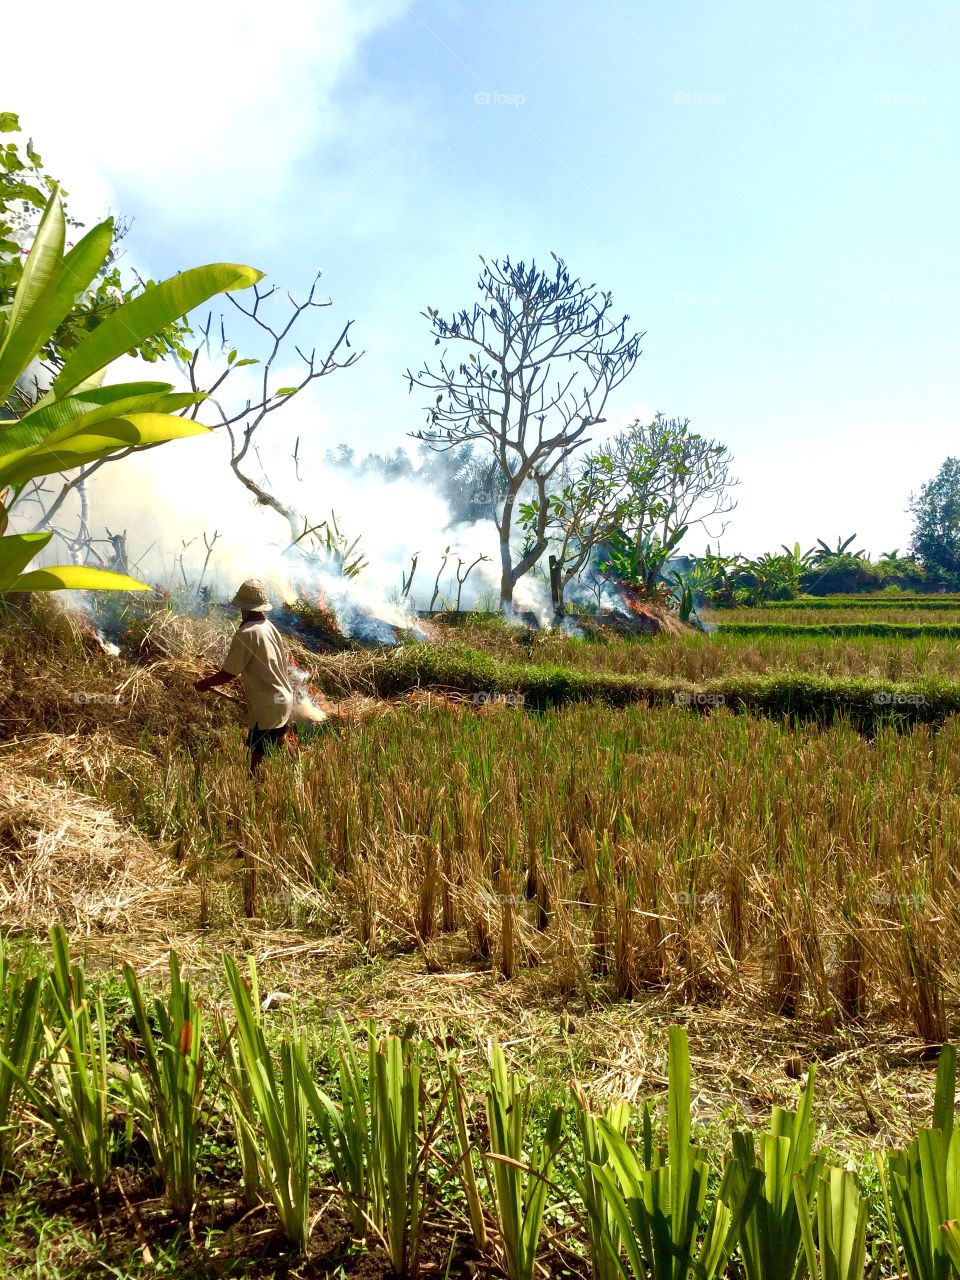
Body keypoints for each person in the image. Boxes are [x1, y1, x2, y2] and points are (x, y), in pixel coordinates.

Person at [195, 578, 295, 774]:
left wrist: (204, 683)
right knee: (279, 739)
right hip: (283, 697)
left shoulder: (247, 632)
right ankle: (298, 771)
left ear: (244, 607)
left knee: (257, 755)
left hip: (269, 704)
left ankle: (255, 792)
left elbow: (228, 673)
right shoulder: (268, 626)